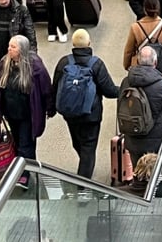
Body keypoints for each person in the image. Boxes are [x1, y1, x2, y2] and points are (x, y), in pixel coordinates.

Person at [50, 29, 120, 178]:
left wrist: (51, 109)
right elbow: (110, 91)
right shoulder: (96, 64)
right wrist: (125, 89)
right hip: (91, 115)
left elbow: (55, 87)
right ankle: (83, 184)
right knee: (88, 146)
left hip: (70, 113)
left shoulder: (64, 62)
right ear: (89, 43)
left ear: (73, 44)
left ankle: (84, 165)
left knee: (78, 143)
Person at [0, 35, 53, 189]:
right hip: (10, 113)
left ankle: (23, 175)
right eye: (9, 46)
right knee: (18, 141)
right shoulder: (4, 63)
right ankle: (30, 165)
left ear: (22, 50)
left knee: (25, 143)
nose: (9, 49)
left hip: (28, 114)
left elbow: (46, 90)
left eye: (13, 47)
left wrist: (50, 108)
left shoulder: (35, 66)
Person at [121, 46, 162, 166]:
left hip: (133, 138)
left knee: (139, 173)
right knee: (154, 174)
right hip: (155, 142)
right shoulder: (161, 86)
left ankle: (138, 185)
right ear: (155, 63)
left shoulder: (126, 82)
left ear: (138, 61)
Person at [122, 0, 162, 86]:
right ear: (159, 9)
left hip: (140, 70)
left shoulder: (136, 27)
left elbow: (128, 51)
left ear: (144, 10)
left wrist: (127, 65)